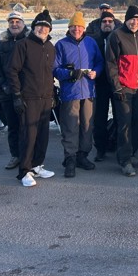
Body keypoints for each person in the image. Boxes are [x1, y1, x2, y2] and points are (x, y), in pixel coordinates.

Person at [7, 9, 56, 187]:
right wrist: (17, 95)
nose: (42, 29)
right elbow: (12, 71)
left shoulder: (50, 47)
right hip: (29, 97)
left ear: (49, 30)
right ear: (34, 27)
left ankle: (37, 165)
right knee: (28, 135)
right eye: (39, 26)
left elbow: (49, 73)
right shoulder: (23, 45)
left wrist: (52, 94)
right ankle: (24, 170)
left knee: (43, 135)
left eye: (46, 27)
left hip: (45, 97)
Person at [53, 11, 104, 178]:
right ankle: (70, 159)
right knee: (71, 127)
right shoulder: (61, 45)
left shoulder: (91, 43)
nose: (76, 29)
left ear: (84, 28)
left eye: (79, 26)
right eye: (73, 26)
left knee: (87, 126)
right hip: (70, 92)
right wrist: (69, 74)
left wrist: (96, 72)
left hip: (89, 91)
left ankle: (82, 155)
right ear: (69, 28)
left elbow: (99, 62)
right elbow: (54, 69)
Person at [106, 5, 138, 177]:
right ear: (126, 20)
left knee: (137, 121)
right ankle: (124, 160)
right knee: (124, 124)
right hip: (123, 88)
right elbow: (110, 63)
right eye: (132, 19)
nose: (135, 22)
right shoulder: (116, 36)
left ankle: (132, 153)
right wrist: (116, 86)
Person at [0, 11, 29, 170]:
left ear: (23, 24)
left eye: (17, 21)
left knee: (28, 126)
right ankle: (16, 155)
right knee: (13, 126)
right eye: (11, 22)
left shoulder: (30, 41)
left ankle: (29, 155)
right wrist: (3, 85)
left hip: (27, 92)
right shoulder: (2, 43)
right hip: (7, 92)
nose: (14, 24)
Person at [91, 10, 117, 162]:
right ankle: (100, 148)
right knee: (99, 118)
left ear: (114, 23)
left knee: (119, 116)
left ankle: (117, 144)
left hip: (117, 83)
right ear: (100, 24)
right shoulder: (94, 40)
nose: (107, 24)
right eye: (104, 21)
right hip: (100, 83)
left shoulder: (119, 37)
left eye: (110, 21)